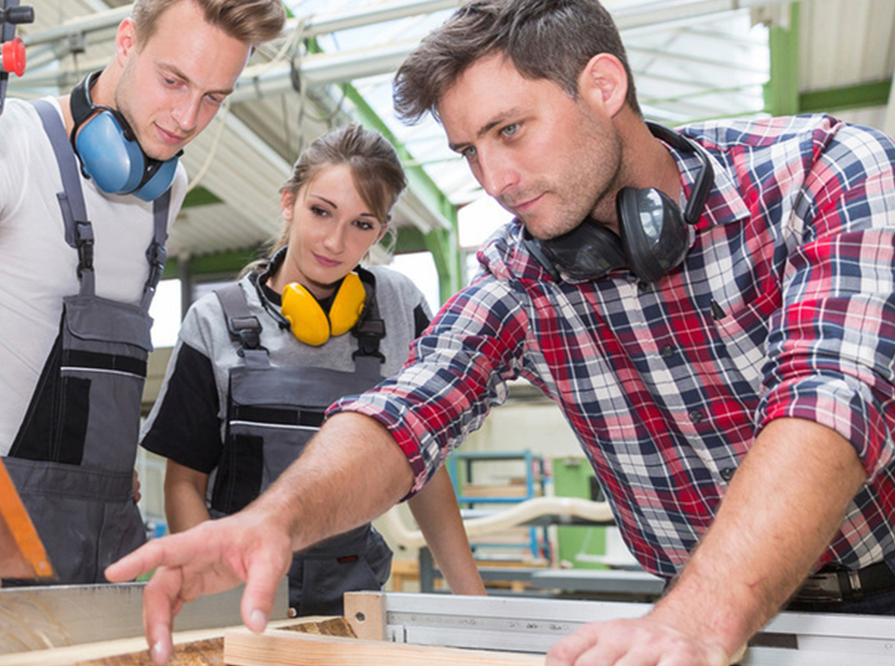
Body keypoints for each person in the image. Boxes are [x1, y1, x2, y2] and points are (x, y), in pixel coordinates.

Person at [106, 0, 895, 664]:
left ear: (604, 84)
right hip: (687, 608)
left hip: (867, 587)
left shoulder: (826, 173)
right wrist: (272, 521)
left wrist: (702, 614)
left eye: (510, 130)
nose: (494, 182)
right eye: (468, 153)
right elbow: (405, 411)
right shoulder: (521, 273)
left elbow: (829, 402)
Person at [0, 0, 286, 584]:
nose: (185, 118)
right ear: (127, 41)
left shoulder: (167, 185)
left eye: (213, 98)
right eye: (173, 80)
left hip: (99, 535)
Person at [139, 125, 486, 616]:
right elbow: (184, 482)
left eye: (361, 225)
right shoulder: (215, 319)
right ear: (289, 203)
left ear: (382, 232)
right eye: (321, 211)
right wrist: (220, 592)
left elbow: (423, 468)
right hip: (236, 585)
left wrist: (479, 609)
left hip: (351, 593)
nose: (334, 241)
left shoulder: (399, 308)